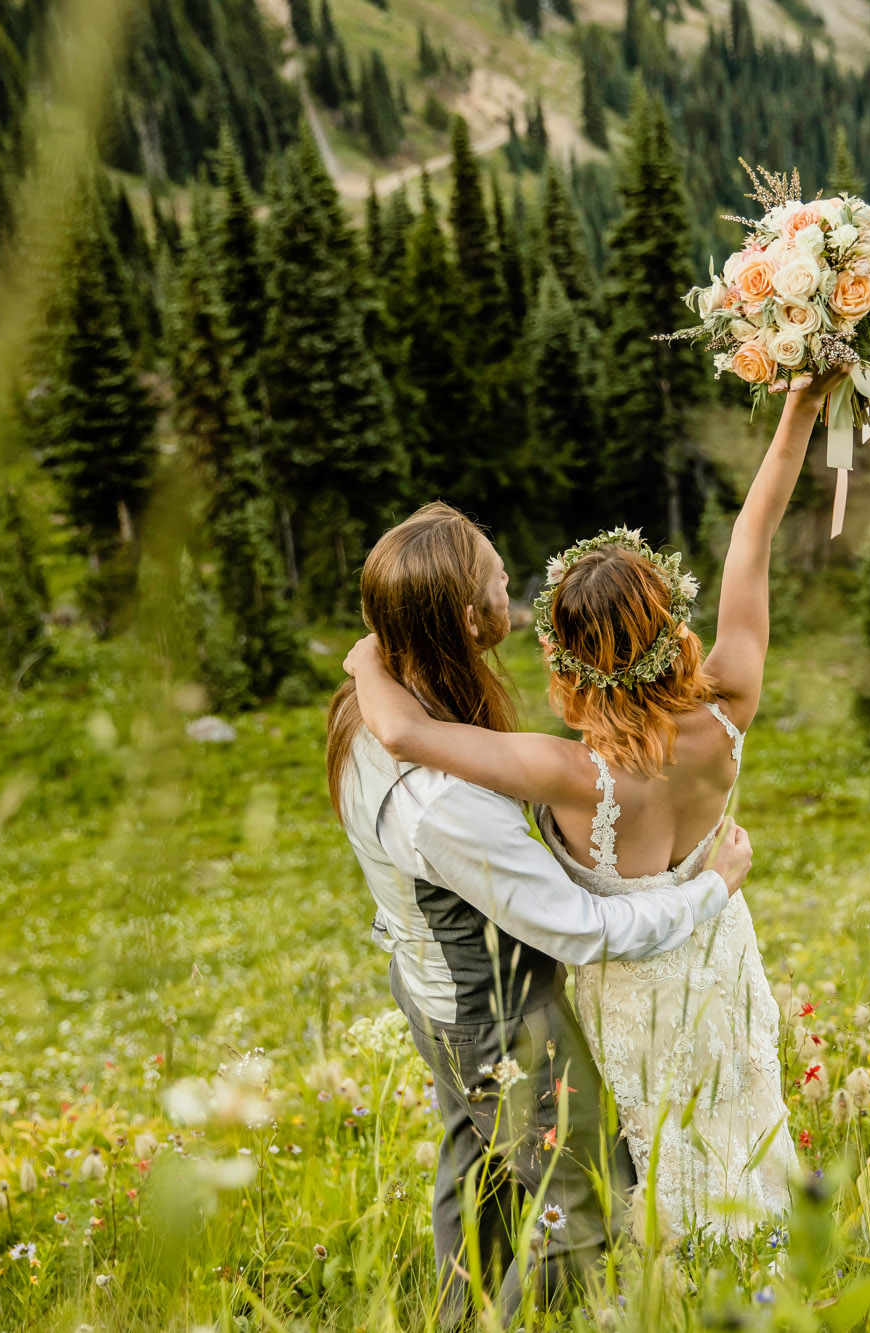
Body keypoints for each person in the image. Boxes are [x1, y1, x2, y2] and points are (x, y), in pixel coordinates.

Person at [344, 370, 843, 1239]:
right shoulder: (732, 703)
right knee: (734, 1108)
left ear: (568, 665)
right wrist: (800, 407)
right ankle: (761, 1248)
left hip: (628, 986)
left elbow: (405, 736)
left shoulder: (571, 772)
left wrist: (364, 658)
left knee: (650, 1146)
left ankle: (675, 1269)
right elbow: (753, 533)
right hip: (718, 952)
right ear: (672, 623)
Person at [325, 502, 754, 1328]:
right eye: (498, 580)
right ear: (465, 618)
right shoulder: (443, 802)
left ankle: (460, 1315)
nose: (512, 592)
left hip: (432, 988)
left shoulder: (381, 690)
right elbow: (584, 929)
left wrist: (369, 662)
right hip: (499, 1014)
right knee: (584, 1202)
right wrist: (712, 888)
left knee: (478, 1168)